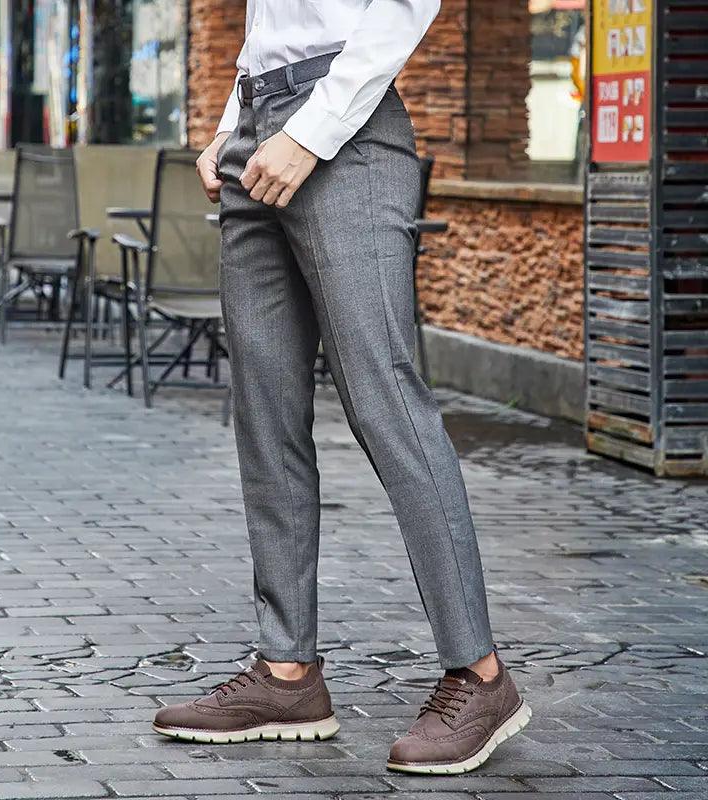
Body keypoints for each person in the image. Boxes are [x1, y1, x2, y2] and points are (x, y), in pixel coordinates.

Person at [153, 0, 531, 774]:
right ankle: (287, 673)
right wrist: (232, 122)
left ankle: (481, 675)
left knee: (384, 402)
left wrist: (310, 131)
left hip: (345, 130)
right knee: (264, 415)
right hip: (257, 130)